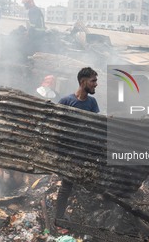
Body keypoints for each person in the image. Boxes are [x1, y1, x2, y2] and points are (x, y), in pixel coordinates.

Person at [55, 67, 99, 225]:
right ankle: (58, 218)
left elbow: (96, 126)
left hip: (85, 152)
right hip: (69, 153)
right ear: (83, 82)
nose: (96, 84)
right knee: (66, 186)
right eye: (93, 80)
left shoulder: (92, 103)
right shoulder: (67, 101)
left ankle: (90, 218)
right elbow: (56, 126)